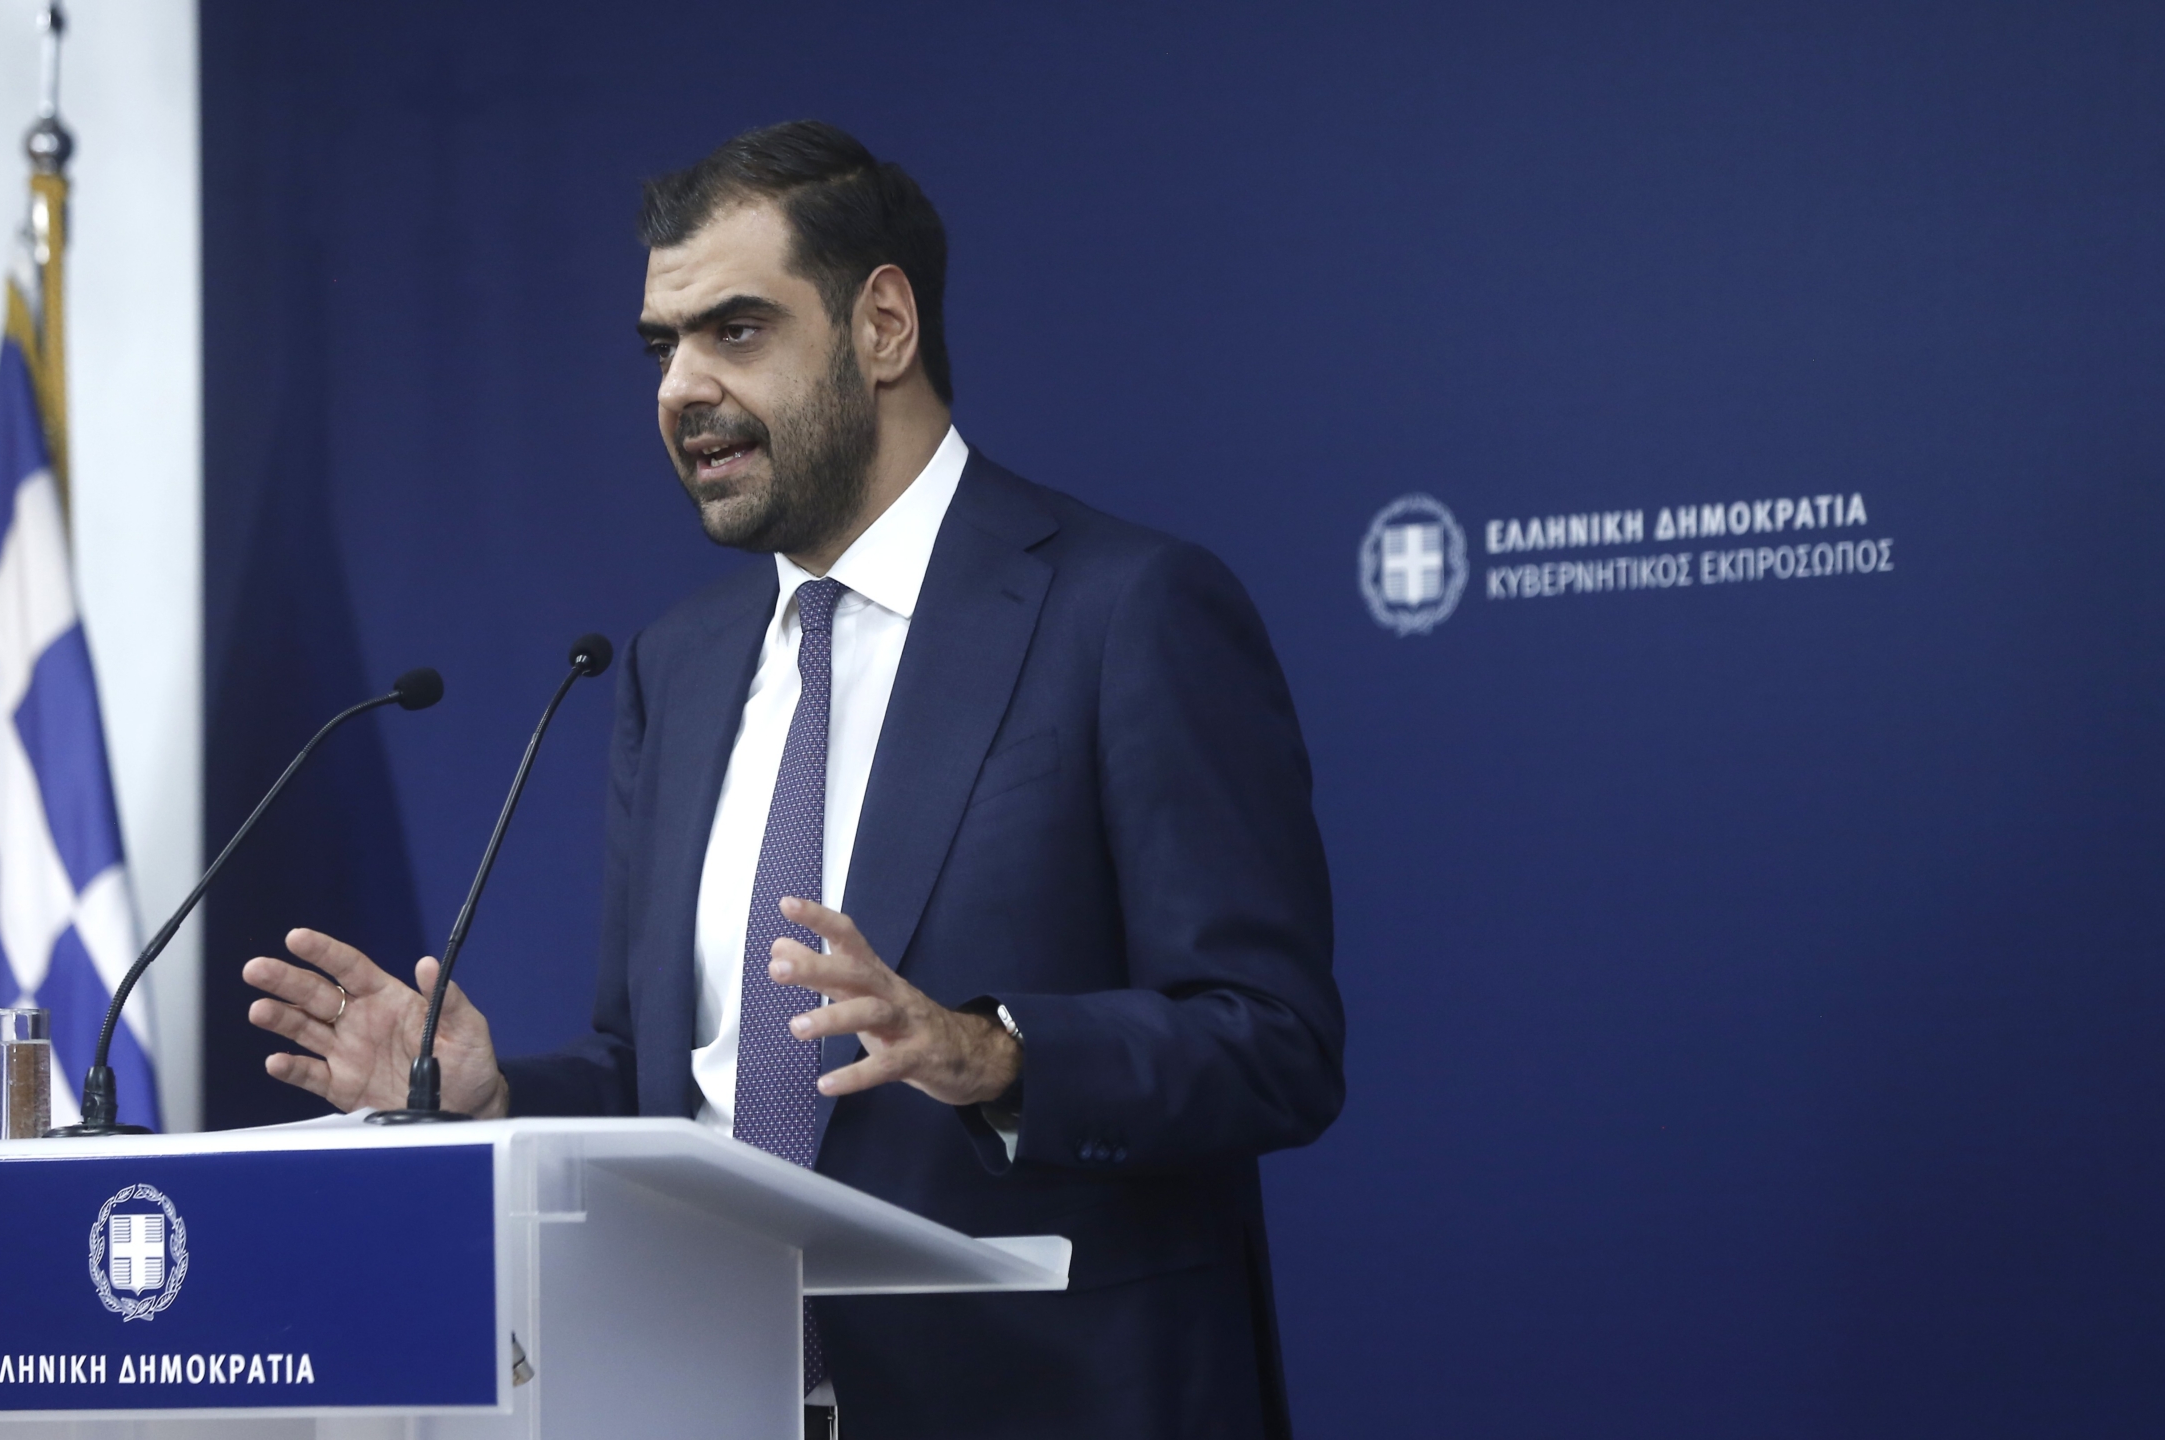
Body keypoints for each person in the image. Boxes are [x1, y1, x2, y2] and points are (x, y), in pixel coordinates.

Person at [242, 120, 1344, 1439]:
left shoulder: (1125, 612)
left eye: (736, 331)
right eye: (662, 347)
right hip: (715, 1397)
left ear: (884, 327)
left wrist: (993, 1052)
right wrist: (495, 1097)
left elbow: (1274, 1043)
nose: (680, 388)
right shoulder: (677, 666)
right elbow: (668, 1079)